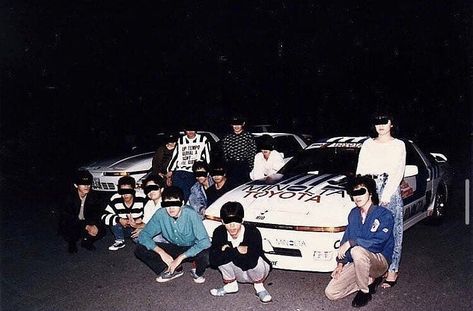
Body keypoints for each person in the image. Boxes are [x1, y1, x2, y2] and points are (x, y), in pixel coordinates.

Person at [325, 175, 394, 308]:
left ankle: (364, 291)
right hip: (359, 261)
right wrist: (340, 264)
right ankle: (370, 280)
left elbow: (378, 243)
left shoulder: (384, 214)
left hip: (379, 261)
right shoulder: (353, 213)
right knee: (331, 292)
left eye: (361, 192)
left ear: (371, 193)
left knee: (357, 250)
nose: (357, 197)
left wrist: (352, 242)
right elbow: (346, 237)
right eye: (354, 193)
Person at [356, 113, 406, 288]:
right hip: (370, 186)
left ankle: (392, 269)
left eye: (384, 121)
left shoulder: (399, 145)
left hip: (389, 189)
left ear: (391, 123)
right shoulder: (368, 144)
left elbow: (397, 172)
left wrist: (384, 197)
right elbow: (361, 168)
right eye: (377, 122)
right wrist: (362, 191)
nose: (381, 125)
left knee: (393, 230)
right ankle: (374, 269)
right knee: (369, 228)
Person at [134, 186, 211, 284]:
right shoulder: (160, 214)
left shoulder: (191, 214)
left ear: (182, 204)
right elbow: (143, 235)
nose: (171, 208)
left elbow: (205, 242)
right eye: (167, 204)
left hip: (192, 247)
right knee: (139, 248)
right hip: (173, 247)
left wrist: (181, 257)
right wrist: (162, 253)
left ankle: (197, 272)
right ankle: (171, 269)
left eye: (175, 204)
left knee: (207, 255)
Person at [209, 201, 272, 303]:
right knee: (219, 257)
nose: (232, 225)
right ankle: (231, 285)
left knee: (258, 261)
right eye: (228, 221)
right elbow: (213, 260)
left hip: (254, 270)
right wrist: (236, 250)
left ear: (242, 220)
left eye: (236, 221)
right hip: (237, 268)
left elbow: (250, 261)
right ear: (222, 221)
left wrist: (228, 251)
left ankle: (259, 287)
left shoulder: (253, 232)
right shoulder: (219, 232)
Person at [59, 169, 106, 253]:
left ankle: (86, 242)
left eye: (88, 184)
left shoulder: (94, 196)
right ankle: (72, 243)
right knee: (70, 230)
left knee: (101, 230)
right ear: (76, 185)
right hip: (73, 223)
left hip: (87, 221)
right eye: (83, 184)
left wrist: (94, 225)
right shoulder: (68, 198)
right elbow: (68, 218)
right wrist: (87, 226)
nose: (86, 186)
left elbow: (97, 214)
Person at [101, 176, 147, 251]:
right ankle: (119, 240)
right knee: (112, 219)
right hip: (122, 228)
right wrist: (119, 219)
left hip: (138, 228)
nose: (125, 194)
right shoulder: (115, 198)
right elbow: (104, 216)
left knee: (140, 242)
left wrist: (141, 221)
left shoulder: (142, 197)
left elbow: (151, 214)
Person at [166, 129, 211, 201]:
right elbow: (175, 156)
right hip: (179, 171)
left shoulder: (203, 139)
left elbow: (207, 157)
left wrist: (207, 172)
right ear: (185, 131)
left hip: (193, 172)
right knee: (177, 195)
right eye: (188, 130)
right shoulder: (180, 140)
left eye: (193, 130)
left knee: (190, 195)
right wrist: (170, 170)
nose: (190, 132)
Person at [130, 174, 167, 244]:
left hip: (167, 233)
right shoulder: (149, 204)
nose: (151, 191)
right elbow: (146, 223)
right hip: (154, 230)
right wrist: (135, 225)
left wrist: (145, 230)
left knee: (154, 238)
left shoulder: (166, 202)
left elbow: (162, 226)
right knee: (136, 236)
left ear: (161, 189)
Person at [221, 115, 257, 186]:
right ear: (231, 125)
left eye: (238, 124)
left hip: (244, 166)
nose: (236, 126)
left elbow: (252, 152)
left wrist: (250, 167)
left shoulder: (248, 136)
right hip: (231, 166)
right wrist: (227, 165)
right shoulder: (228, 137)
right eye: (234, 124)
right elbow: (224, 153)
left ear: (243, 124)